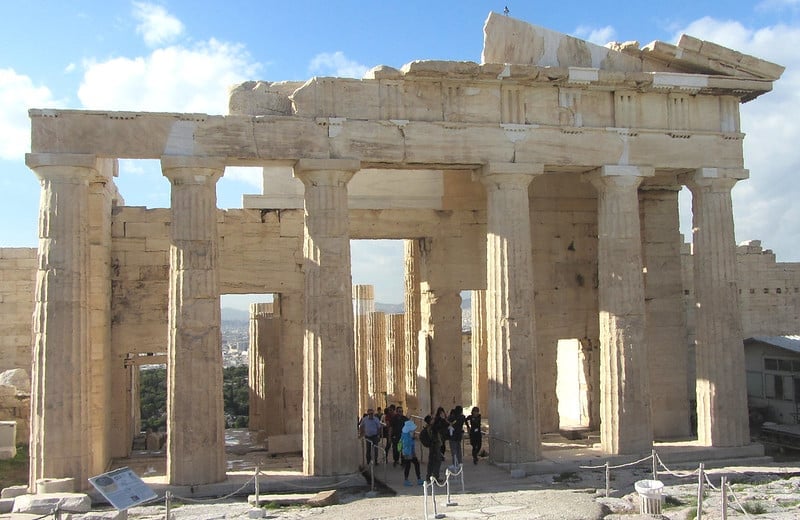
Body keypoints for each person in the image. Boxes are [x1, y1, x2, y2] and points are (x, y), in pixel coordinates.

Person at [399, 418, 424, 486]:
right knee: (408, 465)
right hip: (407, 452)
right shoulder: (407, 436)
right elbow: (407, 444)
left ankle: (418, 479)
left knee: (415, 464)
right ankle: (407, 480)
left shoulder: (407, 434)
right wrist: (412, 439)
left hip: (410, 452)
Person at [423, 414, 443, 482]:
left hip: (433, 446)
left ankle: (429, 476)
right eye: (432, 419)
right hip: (434, 446)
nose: (433, 420)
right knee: (437, 461)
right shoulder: (431, 428)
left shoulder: (430, 427)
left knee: (431, 462)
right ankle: (435, 477)